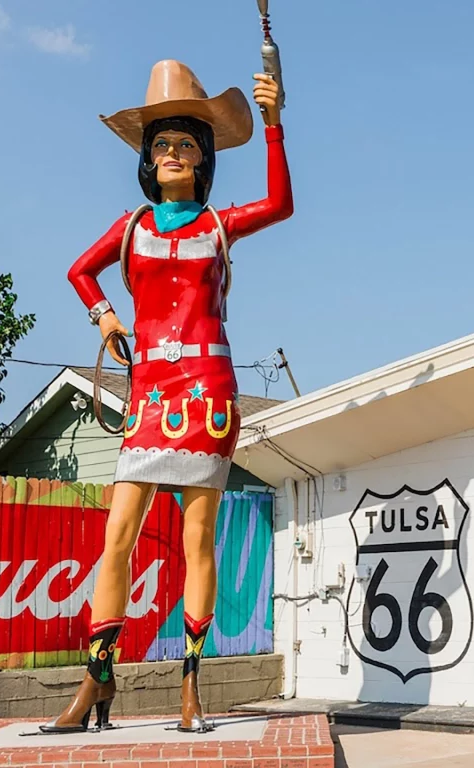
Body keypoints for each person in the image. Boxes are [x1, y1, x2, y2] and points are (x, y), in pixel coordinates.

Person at [40, 59, 293, 734]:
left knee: (198, 540)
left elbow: (280, 204)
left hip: (207, 395)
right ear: (148, 161)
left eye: (184, 143)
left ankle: (190, 686)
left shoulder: (219, 226)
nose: (172, 153)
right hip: (149, 395)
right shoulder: (130, 228)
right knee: (117, 536)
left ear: (203, 157)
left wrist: (273, 123)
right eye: (161, 145)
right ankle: (97, 677)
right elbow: (80, 270)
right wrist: (105, 317)